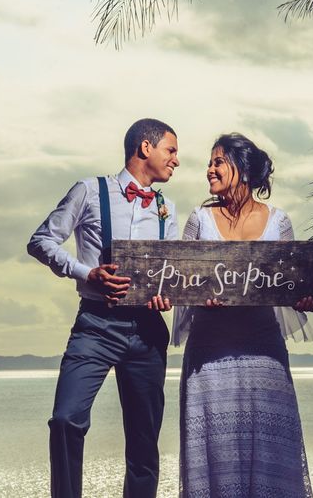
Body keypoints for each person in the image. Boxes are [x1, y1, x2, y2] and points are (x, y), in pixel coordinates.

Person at [173, 133, 313, 498]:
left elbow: (291, 282)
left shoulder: (279, 222)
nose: (209, 170)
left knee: (272, 453)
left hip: (264, 354)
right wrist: (200, 298)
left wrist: (303, 297)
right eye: (210, 162)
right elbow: (181, 282)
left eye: (218, 162)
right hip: (209, 356)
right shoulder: (199, 219)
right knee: (215, 455)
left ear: (243, 170)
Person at [26, 118, 180, 498]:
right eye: (171, 150)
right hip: (95, 326)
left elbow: (173, 275)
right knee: (65, 420)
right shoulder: (89, 191)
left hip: (148, 330)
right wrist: (86, 272)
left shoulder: (167, 208)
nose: (176, 160)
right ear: (146, 147)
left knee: (145, 443)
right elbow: (41, 241)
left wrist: (166, 296)